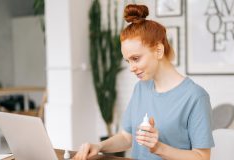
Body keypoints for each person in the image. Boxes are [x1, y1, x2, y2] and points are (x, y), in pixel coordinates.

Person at [73, 4, 214, 160]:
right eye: (128, 61)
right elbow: (127, 137)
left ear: (158, 51)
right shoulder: (141, 88)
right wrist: (99, 146)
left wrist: (159, 148)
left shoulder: (195, 97)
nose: (132, 68)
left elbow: (202, 157)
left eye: (136, 58)